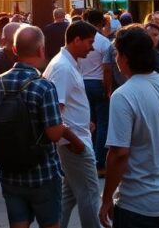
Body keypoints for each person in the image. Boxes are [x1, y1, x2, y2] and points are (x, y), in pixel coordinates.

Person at [100, 26, 159, 228]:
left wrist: (107, 197)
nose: (116, 58)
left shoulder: (123, 95)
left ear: (125, 58)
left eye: (117, 53)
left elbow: (118, 153)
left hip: (138, 203)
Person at [0, 26, 78, 228]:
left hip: (9, 173)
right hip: (42, 173)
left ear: (15, 50)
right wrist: (69, 131)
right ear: (41, 50)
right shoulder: (43, 86)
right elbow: (53, 134)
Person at [44, 21, 100, 228]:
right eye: (89, 42)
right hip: (73, 142)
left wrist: (85, 122)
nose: (92, 47)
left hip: (75, 137)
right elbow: (54, 112)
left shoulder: (67, 63)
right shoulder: (62, 67)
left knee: (69, 195)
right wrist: (75, 141)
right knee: (89, 193)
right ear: (76, 40)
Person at [81, 9, 114, 174]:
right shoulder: (103, 42)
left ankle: (89, 158)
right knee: (102, 123)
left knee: (88, 123)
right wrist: (108, 89)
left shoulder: (79, 41)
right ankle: (100, 162)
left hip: (82, 84)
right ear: (102, 22)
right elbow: (107, 69)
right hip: (98, 83)